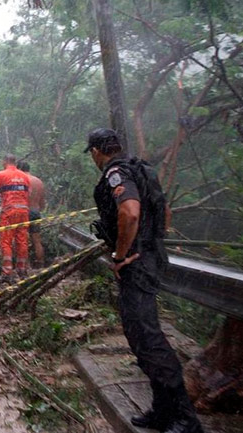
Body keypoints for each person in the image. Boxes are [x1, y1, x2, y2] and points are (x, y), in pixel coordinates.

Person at [86, 128, 203, 433]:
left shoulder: (116, 173)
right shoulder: (139, 169)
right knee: (140, 337)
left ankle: (185, 418)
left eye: (92, 154)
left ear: (96, 151)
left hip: (136, 264)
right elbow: (165, 211)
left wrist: (122, 253)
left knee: (148, 339)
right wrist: (151, 244)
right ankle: (162, 410)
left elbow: (130, 213)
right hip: (148, 259)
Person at [0, 154, 31, 279]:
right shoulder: (24, 176)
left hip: (9, 211)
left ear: (5, 161)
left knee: (6, 241)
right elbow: (28, 193)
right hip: (24, 211)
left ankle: (7, 271)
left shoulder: (2, 174)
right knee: (22, 241)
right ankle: (22, 269)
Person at [17, 161, 46, 267]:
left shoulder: (21, 181)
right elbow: (42, 203)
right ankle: (41, 263)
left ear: (19, 169)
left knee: (22, 239)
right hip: (35, 211)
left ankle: (25, 265)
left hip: (23, 211)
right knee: (36, 240)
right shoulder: (38, 181)